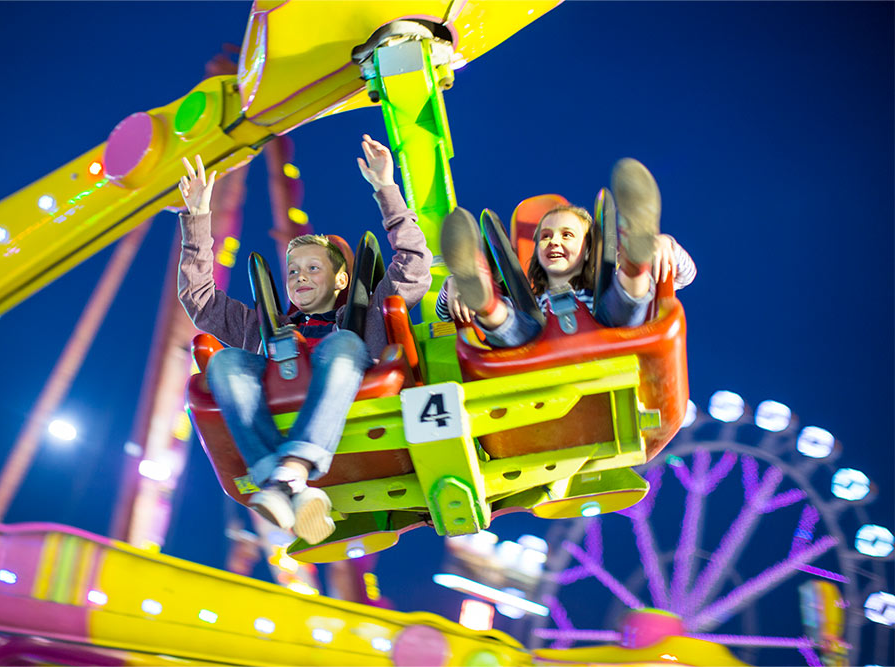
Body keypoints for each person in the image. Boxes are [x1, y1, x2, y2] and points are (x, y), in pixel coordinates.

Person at [177, 136, 432, 544]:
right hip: (281, 394)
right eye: (293, 271)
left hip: (359, 393)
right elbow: (199, 299)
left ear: (341, 279)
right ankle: (282, 482)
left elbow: (415, 267)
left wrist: (387, 190)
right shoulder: (266, 327)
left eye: (313, 268)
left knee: (344, 345)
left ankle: (292, 467)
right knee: (223, 362)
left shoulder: (367, 316)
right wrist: (198, 218)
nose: (300, 277)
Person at [436, 158, 695, 345]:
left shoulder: (603, 289)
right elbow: (444, 314)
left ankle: (636, 259)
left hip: (607, 337)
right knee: (516, 322)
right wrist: (454, 285)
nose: (553, 242)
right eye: (545, 237)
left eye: (567, 235)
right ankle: (485, 300)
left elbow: (686, 275)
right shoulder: (527, 300)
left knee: (622, 301)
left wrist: (664, 245)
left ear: (587, 251)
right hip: (537, 349)